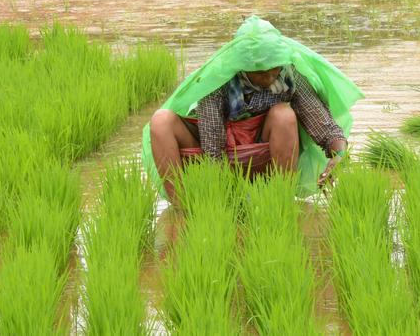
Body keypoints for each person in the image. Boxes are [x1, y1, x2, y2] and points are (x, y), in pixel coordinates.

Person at [143, 16, 361, 205]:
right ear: (242, 66)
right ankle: (183, 209)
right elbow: (212, 150)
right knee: (161, 120)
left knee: (284, 114)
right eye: (258, 72)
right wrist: (222, 200)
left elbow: (323, 125)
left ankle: (280, 200)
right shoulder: (218, 79)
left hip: (261, 152)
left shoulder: (289, 75)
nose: (268, 78)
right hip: (215, 153)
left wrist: (338, 154)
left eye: (273, 68)